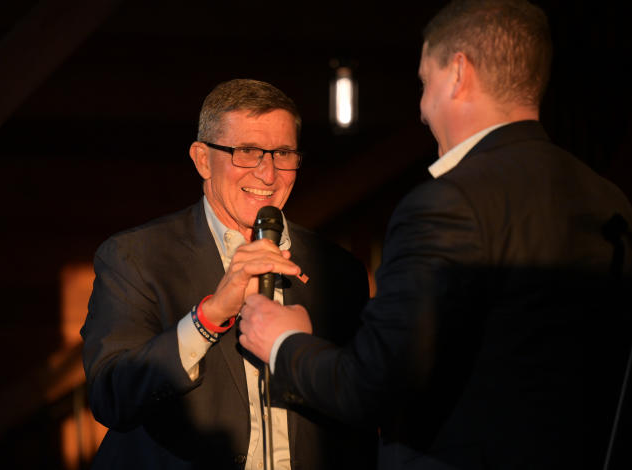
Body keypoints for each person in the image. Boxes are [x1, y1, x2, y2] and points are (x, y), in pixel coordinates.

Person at [238, 1, 632, 469]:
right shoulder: (608, 199)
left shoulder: (446, 204)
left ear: (458, 73)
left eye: (425, 83)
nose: (423, 111)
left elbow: (374, 386)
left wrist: (286, 342)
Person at [80, 79, 375, 470]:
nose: (268, 174)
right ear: (203, 159)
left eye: (283, 153)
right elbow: (111, 396)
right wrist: (209, 317)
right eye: (247, 152)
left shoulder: (339, 270)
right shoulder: (136, 256)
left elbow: (362, 407)